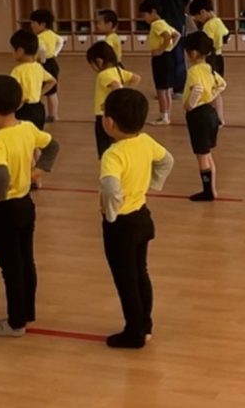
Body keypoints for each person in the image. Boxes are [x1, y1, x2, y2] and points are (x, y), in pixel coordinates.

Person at [0, 75, 61, 337]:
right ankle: (27, 312)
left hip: (4, 210)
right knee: (26, 261)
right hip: (25, 205)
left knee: (10, 267)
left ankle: (15, 322)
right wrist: (37, 172)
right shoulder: (27, 128)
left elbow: (1, 175)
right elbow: (52, 146)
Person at [99, 88, 174, 349]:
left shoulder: (113, 154)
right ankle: (145, 325)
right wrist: (152, 184)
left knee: (126, 280)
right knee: (140, 272)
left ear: (109, 122)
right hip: (142, 216)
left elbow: (110, 187)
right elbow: (167, 160)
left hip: (121, 225)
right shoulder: (145, 141)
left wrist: (111, 212)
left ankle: (134, 333)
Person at [181, 32, 226, 202]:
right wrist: (210, 96)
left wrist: (190, 105)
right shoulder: (209, 68)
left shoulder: (194, 71)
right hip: (210, 112)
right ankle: (212, 190)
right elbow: (222, 84)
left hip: (198, 116)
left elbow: (197, 89)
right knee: (207, 154)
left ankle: (207, 192)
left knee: (202, 156)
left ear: (192, 53)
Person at [145, 0, 191, 98]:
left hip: (176, 17)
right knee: (162, 53)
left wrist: (178, 9)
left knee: (177, 52)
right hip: (160, 18)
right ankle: (164, 88)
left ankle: (179, 88)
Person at [87, 41, 141, 158]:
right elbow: (136, 78)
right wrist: (126, 95)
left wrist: (118, 101)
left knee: (106, 151)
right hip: (116, 116)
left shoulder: (103, 75)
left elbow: (116, 86)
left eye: (92, 64)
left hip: (104, 116)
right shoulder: (118, 70)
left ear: (99, 61)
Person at [139, 0, 181, 126]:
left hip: (161, 59)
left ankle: (163, 117)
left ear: (153, 11)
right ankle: (166, 115)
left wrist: (161, 50)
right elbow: (177, 35)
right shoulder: (164, 23)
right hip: (168, 57)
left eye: (144, 15)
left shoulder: (156, 24)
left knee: (161, 89)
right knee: (167, 89)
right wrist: (170, 48)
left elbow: (167, 36)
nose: (144, 19)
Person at [189, 0, 229, 125]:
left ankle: (214, 117)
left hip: (210, 59)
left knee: (209, 89)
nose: (196, 20)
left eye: (196, 17)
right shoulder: (218, 21)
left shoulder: (208, 25)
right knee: (216, 89)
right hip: (219, 57)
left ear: (203, 12)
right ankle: (220, 117)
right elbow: (226, 36)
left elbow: (206, 44)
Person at [9, 29, 56, 130]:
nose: (11, 53)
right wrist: (40, 93)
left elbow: (12, 89)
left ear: (20, 51)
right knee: (36, 135)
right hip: (38, 108)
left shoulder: (17, 71)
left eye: (12, 49)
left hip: (24, 110)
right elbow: (52, 81)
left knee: (23, 136)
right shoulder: (38, 67)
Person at [31, 9, 66, 123]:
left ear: (42, 24)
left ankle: (44, 114)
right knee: (52, 92)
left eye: (34, 23)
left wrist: (42, 60)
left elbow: (41, 49)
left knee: (41, 90)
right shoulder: (52, 34)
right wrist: (55, 53)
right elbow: (61, 41)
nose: (32, 25)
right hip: (53, 63)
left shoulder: (39, 37)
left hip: (44, 65)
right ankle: (54, 115)